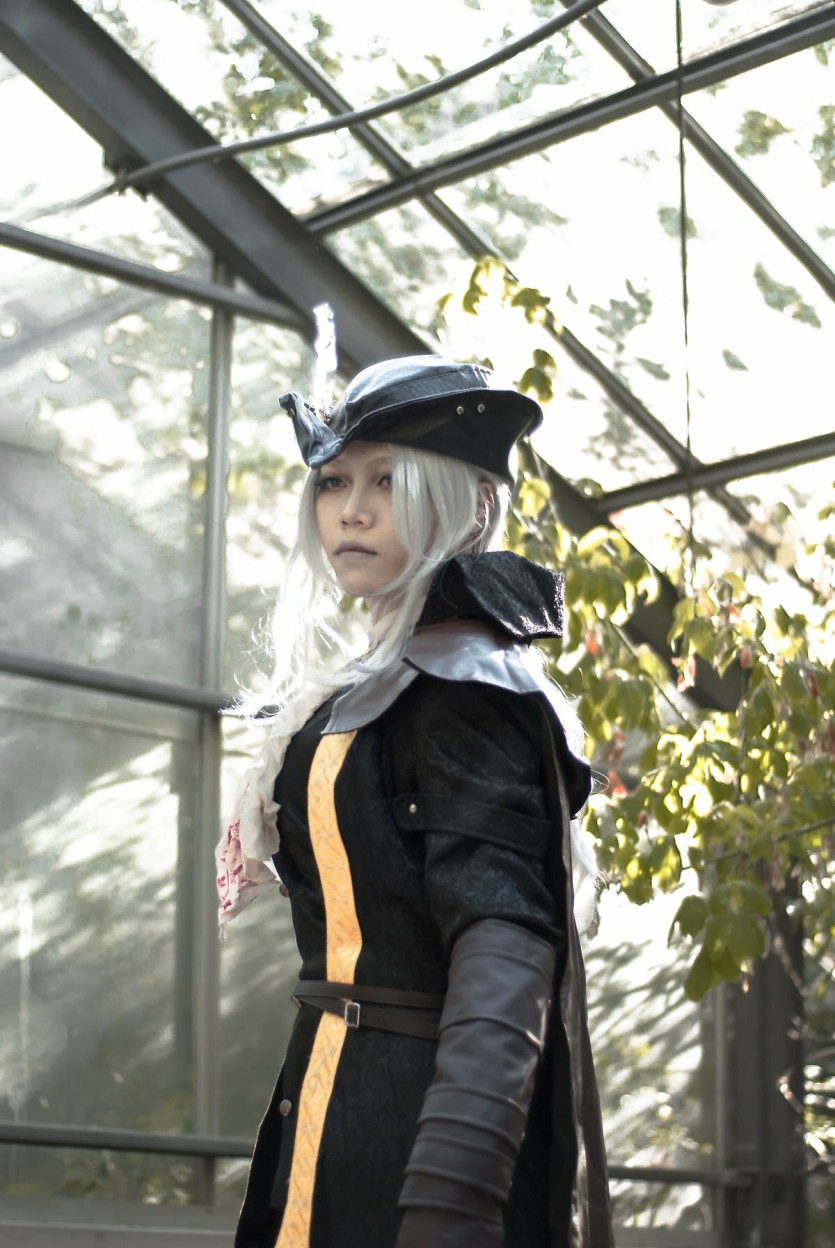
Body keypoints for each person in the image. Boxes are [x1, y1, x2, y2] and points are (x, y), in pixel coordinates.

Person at [216, 355, 613, 1248]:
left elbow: (504, 945)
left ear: (470, 507)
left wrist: (451, 1193)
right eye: (334, 482)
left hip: (423, 1147)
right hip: (328, 1120)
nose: (350, 510)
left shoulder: (468, 688)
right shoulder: (373, 686)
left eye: (388, 481)